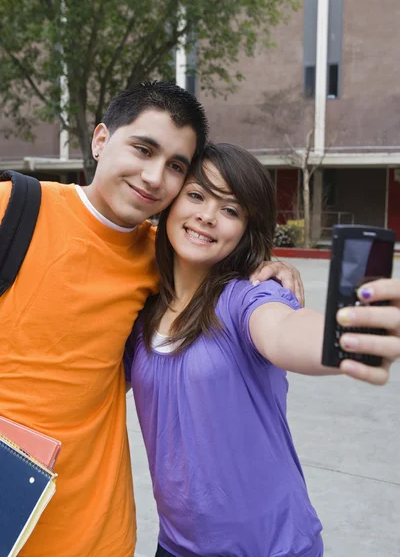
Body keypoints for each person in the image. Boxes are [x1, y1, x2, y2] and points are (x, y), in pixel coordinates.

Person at [0, 82, 301, 557]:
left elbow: (268, 319)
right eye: (143, 149)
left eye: (176, 166)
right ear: (101, 140)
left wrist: (275, 273)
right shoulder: (12, 209)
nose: (154, 176)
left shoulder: (157, 257)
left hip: (95, 533)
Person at [124, 142, 400, 557]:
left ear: (245, 230)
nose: (208, 216)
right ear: (171, 201)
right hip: (176, 546)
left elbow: (284, 330)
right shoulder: (141, 312)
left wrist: (342, 337)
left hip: (273, 547)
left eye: (231, 210)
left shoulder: (248, 298)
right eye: (197, 195)